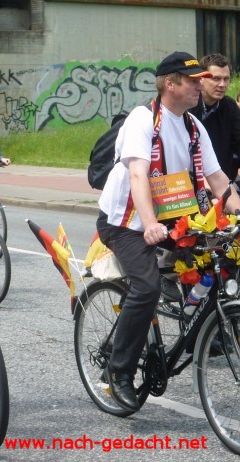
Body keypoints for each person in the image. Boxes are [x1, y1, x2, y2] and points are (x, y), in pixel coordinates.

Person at [96, 51, 240, 413]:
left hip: (174, 220)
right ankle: (120, 372)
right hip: (126, 223)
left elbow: (220, 180)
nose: (200, 85)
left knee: (218, 266)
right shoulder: (143, 120)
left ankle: (201, 335)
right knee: (147, 287)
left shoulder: (193, 126)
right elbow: (138, 175)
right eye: (193, 80)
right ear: (170, 83)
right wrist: (148, 225)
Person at [189, 53, 240, 182]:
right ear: (201, 79)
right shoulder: (188, 106)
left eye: (226, 79)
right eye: (216, 79)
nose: (222, 84)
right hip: (190, 183)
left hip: (223, 181)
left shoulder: (230, 106)